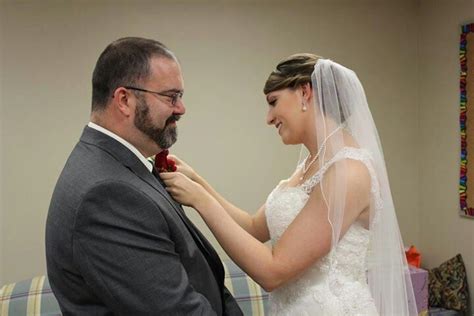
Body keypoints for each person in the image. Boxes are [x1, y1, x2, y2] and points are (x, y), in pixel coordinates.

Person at [161, 54, 418, 315]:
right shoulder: (309, 166)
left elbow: (273, 271)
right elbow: (253, 228)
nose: (269, 118)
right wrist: (198, 181)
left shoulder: (349, 172)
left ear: (305, 92)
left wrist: (200, 200)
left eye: (273, 102)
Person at [45, 37, 242, 315]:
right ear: (124, 100)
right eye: (171, 97)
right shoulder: (106, 195)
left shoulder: (118, 166)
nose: (181, 109)